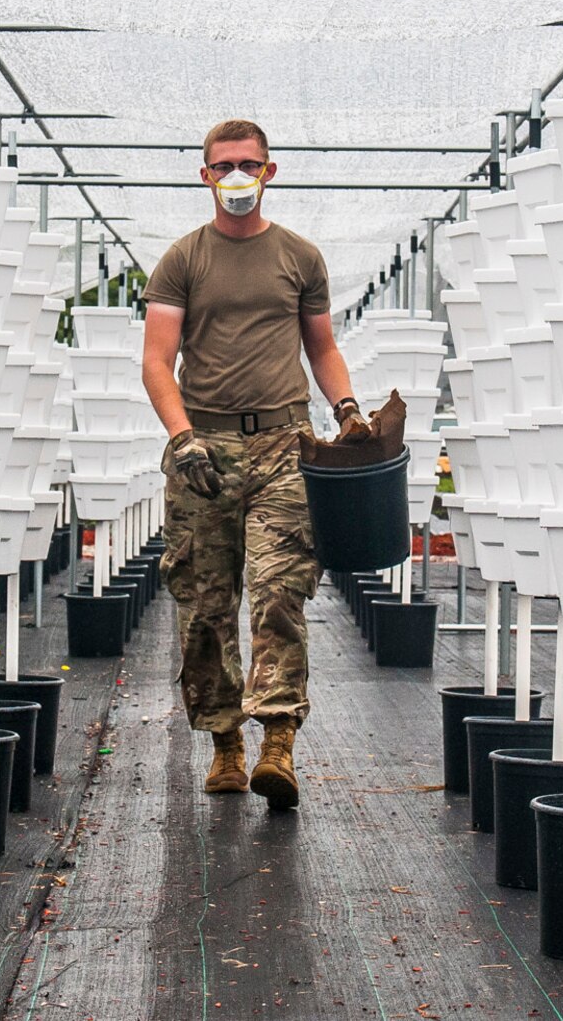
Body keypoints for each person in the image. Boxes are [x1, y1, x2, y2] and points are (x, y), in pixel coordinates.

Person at [141, 118, 371, 811]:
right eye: (223, 166)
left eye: (248, 164)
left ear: (271, 171)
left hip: (283, 446)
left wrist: (348, 407)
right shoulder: (183, 260)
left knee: (280, 592)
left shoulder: (299, 257)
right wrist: (183, 439)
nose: (236, 176)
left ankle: (277, 740)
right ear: (204, 174)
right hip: (204, 446)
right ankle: (225, 745)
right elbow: (157, 360)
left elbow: (322, 347)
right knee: (206, 605)